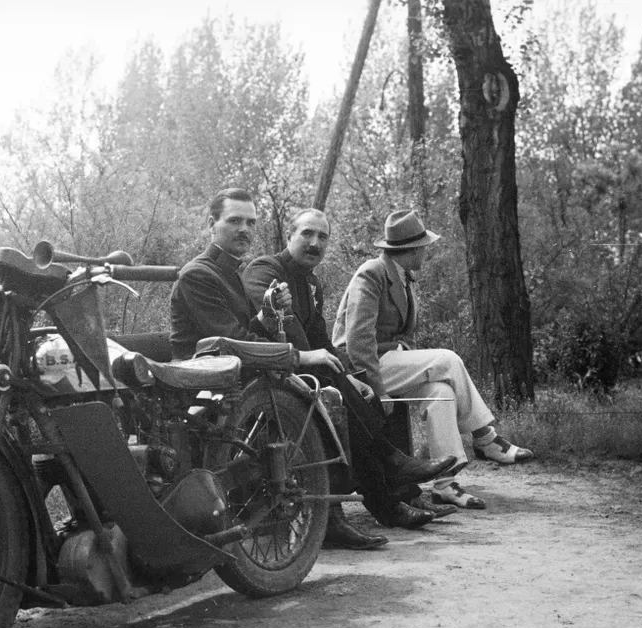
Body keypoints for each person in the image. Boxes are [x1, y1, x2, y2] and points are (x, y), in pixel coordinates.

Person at [169, 189, 455, 549]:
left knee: (343, 383)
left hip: (242, 374)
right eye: (234, 221)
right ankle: (373, 488)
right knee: (326, 387)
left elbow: (257, 333)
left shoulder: (236, 272)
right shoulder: (201, 274)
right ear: (212, 224)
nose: (245, 230)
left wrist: (268, 316)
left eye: (251, 223)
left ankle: (386, 490)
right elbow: (229, 342)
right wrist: (301, 357)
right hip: (206, 382)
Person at [244, 208, 460, 527]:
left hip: (303, 369)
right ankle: (392, 475)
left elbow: (321, 337)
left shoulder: (310, 282)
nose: (315, 242)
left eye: (323, 237)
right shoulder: (266, 269)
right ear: (289, 235)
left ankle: (399, 495)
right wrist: (318, 361)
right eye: (307, 233)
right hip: (267, 369)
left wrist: (350, 376)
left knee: (365, 392)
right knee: (338, 389)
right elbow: (282, 323)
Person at [332, 209, 533, 510]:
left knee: (442, 393)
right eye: (424, 245)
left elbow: (399, 333)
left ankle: (446, 486)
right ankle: (486, 438)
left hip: (390, 361)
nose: (427, 250)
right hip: (362, 369)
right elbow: (358, 340)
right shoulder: (372, 273)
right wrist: (379, 391)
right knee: (448, 359)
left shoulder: (404, 277)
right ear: (409, 250)